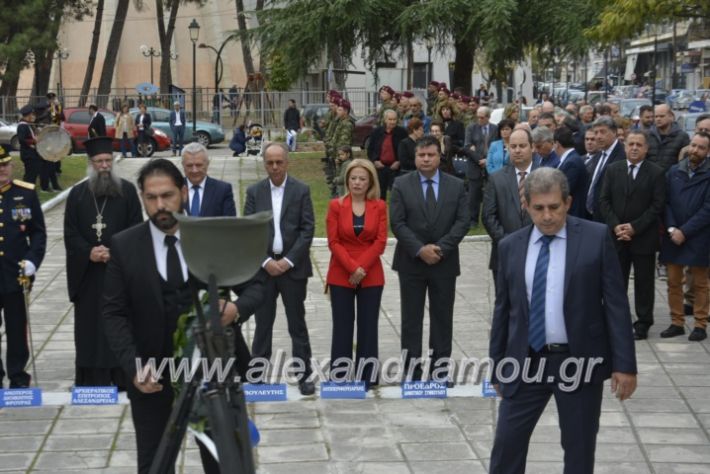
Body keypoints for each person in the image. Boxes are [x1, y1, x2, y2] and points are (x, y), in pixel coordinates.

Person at [102, 158, 263, 473]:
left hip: (212, 375)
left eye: (167, 195)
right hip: (152, 379)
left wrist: (236, 309)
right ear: (143, 199)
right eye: (151, 198)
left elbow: (258, 285)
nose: (160, 205)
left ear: (184, 193)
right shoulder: (124, 246)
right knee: (154, 464)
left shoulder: (212, 238)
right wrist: (134, 365)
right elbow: (113, 312)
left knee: (225, 465)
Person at [489, 167, 637, 474]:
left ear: (568, 203)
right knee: (506, 446)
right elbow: (503, 309)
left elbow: (616, 305)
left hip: (578, 361)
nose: (547, 216)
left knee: (579, 449)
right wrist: (496, 365)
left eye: (554, 207)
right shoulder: (510, 247)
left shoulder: (595, 238)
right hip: (526, 362)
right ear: (526, 204)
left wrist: (625, 365)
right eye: (539, 208)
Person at [389, 135, 469, 384]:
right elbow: (397, 223)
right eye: (421, 155)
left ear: (439, 156)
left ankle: (440, 371)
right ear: (414, 157)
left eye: (430, 154)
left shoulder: (456, 185)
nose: (425, 159)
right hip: (411, 262)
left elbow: (463, 221)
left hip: (444, 263)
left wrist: (441, 248)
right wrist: (419, 249)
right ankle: (412, 372)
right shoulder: (402, 184)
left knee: (442, 318)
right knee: (411, 319)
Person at [64, 137, 143, 387]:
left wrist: (115, 253)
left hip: (117, 273)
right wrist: (89, 252)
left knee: (120, 324)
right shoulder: (77, 195)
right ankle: (93, 379)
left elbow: (136, 228)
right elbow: (70, 233)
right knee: (90, 328)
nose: (105, 166)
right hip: (88, 276)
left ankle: (123, 375)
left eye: (108, 160)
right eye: (99, 162)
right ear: (91, 164)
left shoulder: (128, 191)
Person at [243, 143, 316, 395]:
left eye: (279, 162)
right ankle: (258, 375)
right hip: (264, 270)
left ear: (287, 162)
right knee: (262, 323)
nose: (274, 167)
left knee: (297, 323)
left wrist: (288, 261)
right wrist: (265, 262)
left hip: (292, 269)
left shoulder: (301, 190)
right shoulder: (254, 192)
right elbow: (248, 230)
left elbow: (307, 230)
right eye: (270, 162)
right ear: (264, 163)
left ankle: (304, 374)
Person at [598, 130, 665, 341]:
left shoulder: (656, 173)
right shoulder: (612, 170)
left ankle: (643, 323)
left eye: (639, 144)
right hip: (617, 237)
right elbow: (604, 201)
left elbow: (657, 205)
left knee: (644, 283)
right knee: (616, 282)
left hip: (643, 237)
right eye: (631, 144)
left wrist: (634, 227)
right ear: (624, 146)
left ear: (646, 148)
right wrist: (617, 226)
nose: (634, 148)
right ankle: (617, 320)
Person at [326, 159, 387, 389]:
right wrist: (353, 268)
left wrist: (362, 268)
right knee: (342, 326)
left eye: (362, 178)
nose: (357, 183)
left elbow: (380, 241)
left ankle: (367, 376)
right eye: (353, 178)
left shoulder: (379, 206)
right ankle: (340, 376)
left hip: (371, 273)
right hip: (342, 272)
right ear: (347, 180)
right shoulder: (335, 206)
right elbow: (333, 241)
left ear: (370, 181)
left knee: (368, 326)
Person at [0, 145, 46, 389]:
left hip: (16, 274)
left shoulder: (25, 194)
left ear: (12, 165)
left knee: (17, 328)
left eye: (5, 164)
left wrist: (32, 260)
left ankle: (18, 376)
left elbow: (38, 233)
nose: (2, 170)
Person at [658, 132, 710, 342]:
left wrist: (684, 231)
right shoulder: (674, 171)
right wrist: (672, 228)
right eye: (693, 145)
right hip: (674, 235)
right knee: (673, 282)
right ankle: (677, 322)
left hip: (698, 236)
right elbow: (666, 202)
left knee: (700, 283)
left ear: (708, 152)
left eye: (700, 147)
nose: (694, 150)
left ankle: (700, 323)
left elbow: (708, 209)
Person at [483, 129, 541, 283]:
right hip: (505, 253)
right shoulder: (496, 179)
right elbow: (488, 216)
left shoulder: (546, 175)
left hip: (539, 251)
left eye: (522, 146)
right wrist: (508, 242)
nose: (517, 150)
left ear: (532, 147)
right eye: (513, 146)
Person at [585, 116, 626, 221]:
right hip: (593, 215)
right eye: (596, 132)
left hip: (611, 219)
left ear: (614, 132)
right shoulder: (599, 154)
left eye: (602, 132)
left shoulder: (622, 155)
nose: (598, 136)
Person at [181, 143, 236, 217]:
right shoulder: (175, 188)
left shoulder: (223, 190)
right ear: (183, 165)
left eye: (199, 165)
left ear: (207, 164)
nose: (194, 170)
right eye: (189, 165)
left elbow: (230, 224)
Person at [465, 106, 498, 225]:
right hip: (475, 164)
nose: (479, 120)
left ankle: (490, 219)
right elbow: (468, 147)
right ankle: (473, 220)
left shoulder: (495, 129)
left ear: (488, 117)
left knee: (491, 193)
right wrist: (480, 160)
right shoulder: (471, 128)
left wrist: (488, 160)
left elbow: (497, 146)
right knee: (473, 195)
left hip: (491, 165)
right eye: (477, 117)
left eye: (482, 117)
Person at [367, 109, 407, 200]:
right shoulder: (376, 132)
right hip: (380, 167)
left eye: (394, 119)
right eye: (390, 119)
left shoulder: (402, 133)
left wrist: (399, 162)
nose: (392, 122)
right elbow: (370, 149)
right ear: (385, 120)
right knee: (379, 194)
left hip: (396, 168)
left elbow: (405, 150)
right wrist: (375, 161)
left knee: (397, 194)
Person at [553, 126, 588, 219]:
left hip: (573, 214)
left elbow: (565, 190)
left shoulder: (572, 162)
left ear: (557, 144)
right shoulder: (570, 159)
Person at [647, 104, 690, 172]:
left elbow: (686, 162)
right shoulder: (648, 135)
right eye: (656, 116)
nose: (658, 119)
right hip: (651, 178)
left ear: (670, 116)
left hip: (671, 179)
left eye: (662, 116)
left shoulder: (682, 136)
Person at [17, 105, 42, 187]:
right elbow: (21, 140)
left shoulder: (28, 124)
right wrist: (33, 141)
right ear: (29, 115)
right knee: (30, 175)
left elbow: (30, 136)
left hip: (32, 153)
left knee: (33, 173)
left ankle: (29, 189)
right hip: (27, 154)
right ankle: (26, 190)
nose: (33, 116)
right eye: (32, 114)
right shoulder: (22, 126)